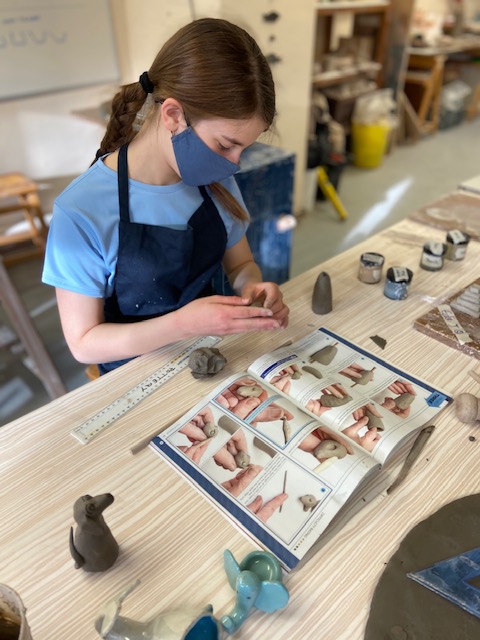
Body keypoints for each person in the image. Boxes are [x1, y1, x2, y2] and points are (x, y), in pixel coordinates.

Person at [42, 18, 289, 374]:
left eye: (243, 150)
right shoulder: (80, 211)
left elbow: (240, 264)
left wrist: (252, 287)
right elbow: (84, 342)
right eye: (225, 145)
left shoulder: (216, 180)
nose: (233, 164)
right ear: (173, 115)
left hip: (208, 354)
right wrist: (182, 324)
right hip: (132, 373)